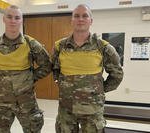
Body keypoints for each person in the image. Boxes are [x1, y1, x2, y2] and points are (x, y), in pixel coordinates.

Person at [52, 4, 123, 133]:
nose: (80, 19)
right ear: (71, 20)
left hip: (92, 111)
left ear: (91, 21)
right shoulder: (60, 46)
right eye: (76, 16)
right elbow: (55, 69)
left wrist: (100, 90)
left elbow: (117, 74)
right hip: (66, 109)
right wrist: (62, 85)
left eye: (85, 16)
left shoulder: (104, 47)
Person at [0, 5, 51, 133]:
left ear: (21, 20)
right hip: (2, 103)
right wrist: (4, 80)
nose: (13, 21)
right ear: (4, 19)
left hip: (27, 102)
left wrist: (30, 78)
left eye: (17, 18)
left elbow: (47, 65)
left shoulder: (31, 44)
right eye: (10, 17)